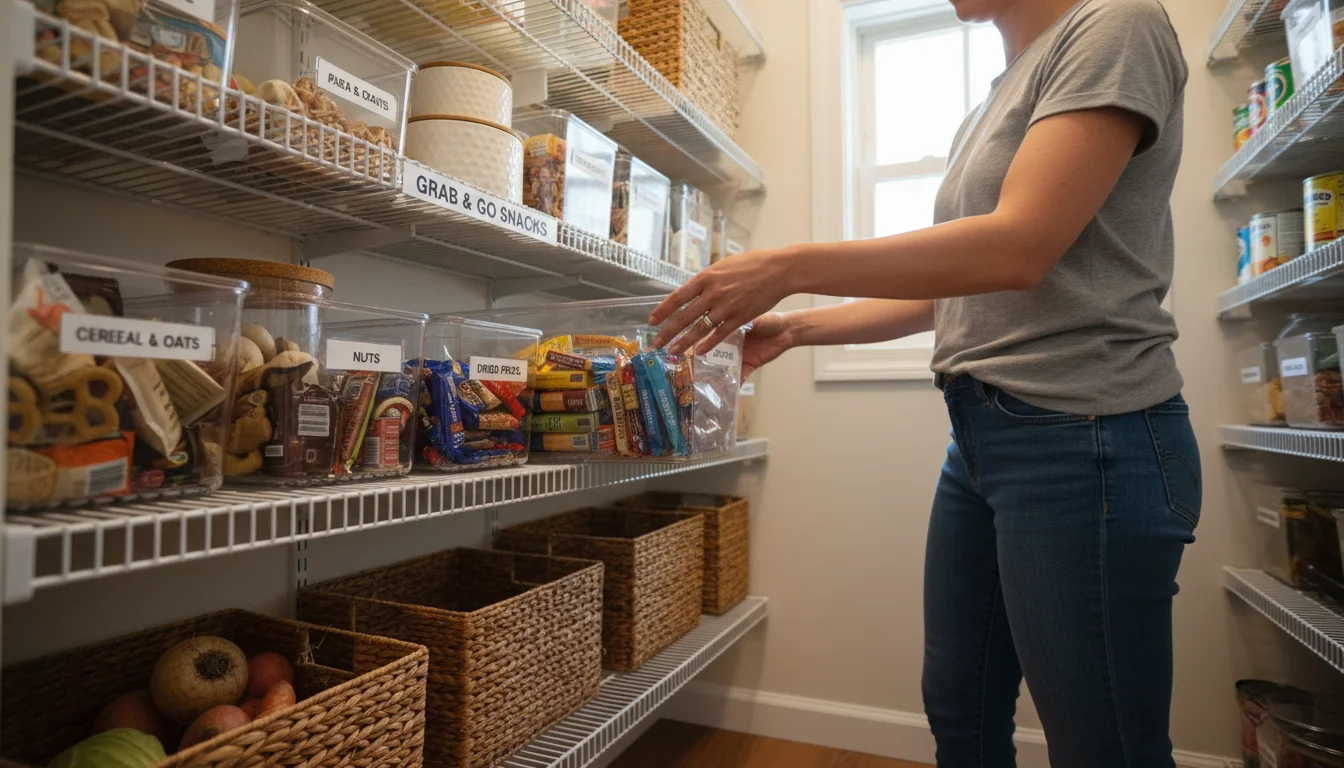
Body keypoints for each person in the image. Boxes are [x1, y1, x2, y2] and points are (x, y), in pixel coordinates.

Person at [649, 0, 1197, 765]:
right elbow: (958, 289)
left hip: (1086, 438)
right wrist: (798, 328)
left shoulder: (1116, 23)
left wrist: (789, 266)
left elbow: (1019, 248)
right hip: (981, 438)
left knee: (1104, 745)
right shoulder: (997, 98)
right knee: (960, 707)